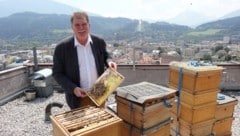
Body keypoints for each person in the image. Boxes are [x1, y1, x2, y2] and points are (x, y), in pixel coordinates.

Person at [52, 11, 117, 109]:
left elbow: (106, 55)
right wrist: (73, 89)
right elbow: (57, 73)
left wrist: (109, 62)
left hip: (99, 93)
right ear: (72, 27)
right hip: (77, 98)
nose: (81, 28)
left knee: (100, 122)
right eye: (77, 25)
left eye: (84, 24)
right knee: (81, 124)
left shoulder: (99, 42)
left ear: (89, 25)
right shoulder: (62, 48)